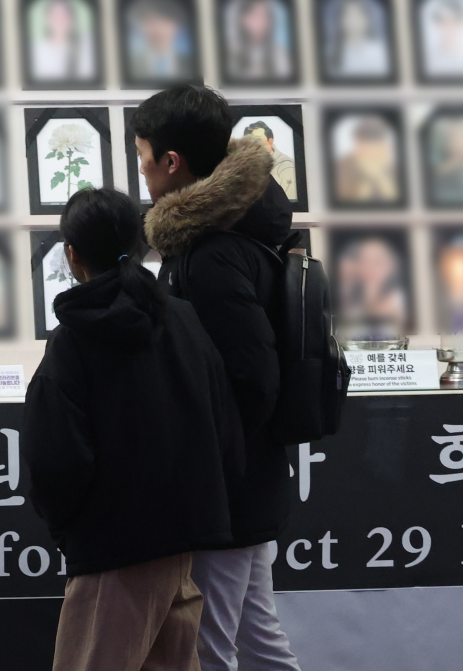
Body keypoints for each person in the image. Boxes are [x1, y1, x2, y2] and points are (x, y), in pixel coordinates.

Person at [23, 186, 241, 671]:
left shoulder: (74, 339)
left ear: (71, 254)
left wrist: (71, 530)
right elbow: (224, 424)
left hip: (112, 552)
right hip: (183, 545)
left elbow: (54, 459)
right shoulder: (182, 318)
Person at [134, 84, 302, 671]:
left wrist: (211, 463)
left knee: (208, 647)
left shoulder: (209, 255)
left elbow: (252, 374)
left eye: (144, 160)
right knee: (258, 638)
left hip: (226, 488)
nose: (145, 175)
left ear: (172, 162)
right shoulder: (242, 232)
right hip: (246, 480)